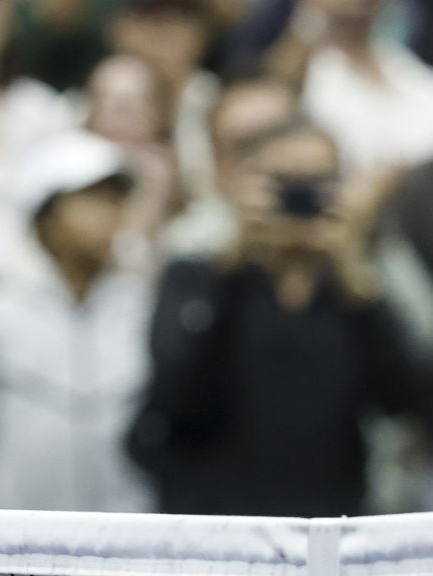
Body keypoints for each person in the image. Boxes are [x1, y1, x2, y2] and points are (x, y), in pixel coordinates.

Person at [127, 120, 432, 516]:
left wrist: (352, 274)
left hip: (329, 523)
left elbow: (410, 401)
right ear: (245, 185)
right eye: (283, 182)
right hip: (217, 523)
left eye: (319, 182)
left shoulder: (359, 287)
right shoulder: (197, 275)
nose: (299, 197)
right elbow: (173, 398)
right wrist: (233, 265)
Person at [0, 131, 153, 512]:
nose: (111, 214)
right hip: (13, 535)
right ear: (46, 215)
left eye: (115, 199)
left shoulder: (142, 307)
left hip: (128, 533)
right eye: (91, 198)